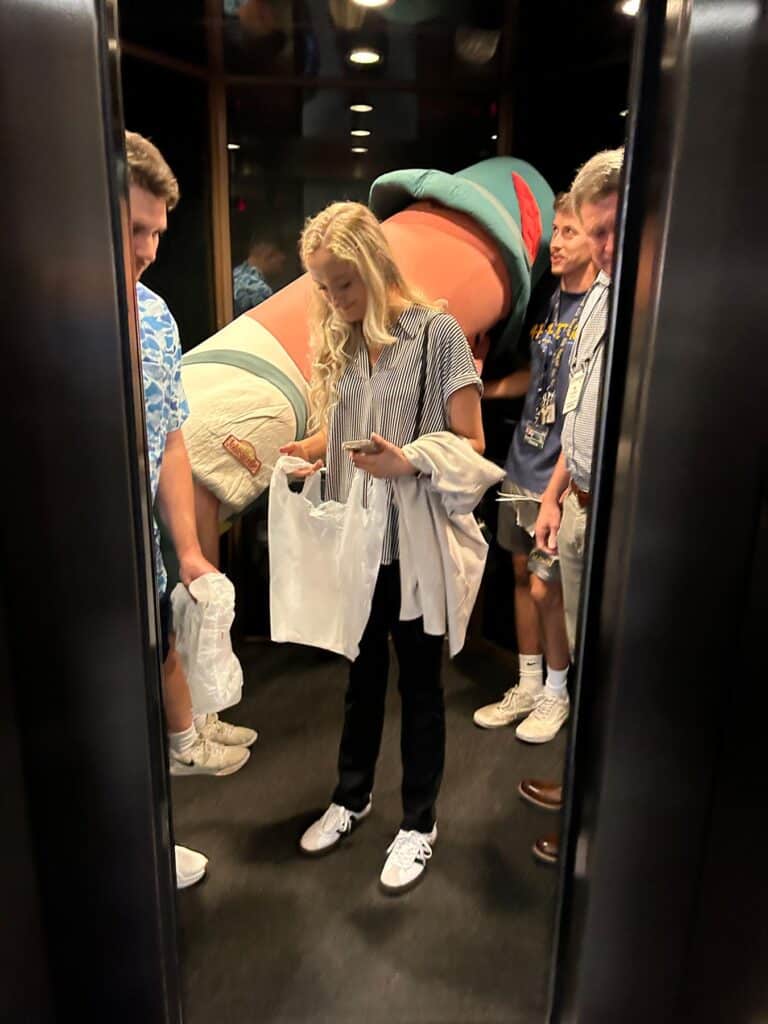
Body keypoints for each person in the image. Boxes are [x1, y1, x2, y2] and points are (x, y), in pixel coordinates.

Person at [281, 201, 485, 893]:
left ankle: (419, 822)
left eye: (344, 283)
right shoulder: (343, 341)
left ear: (374, 265)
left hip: (415, 541)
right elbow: (344, 429)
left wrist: (410, 459)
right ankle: (352, 794)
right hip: (358, 545)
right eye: (323, 286)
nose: (335, 299)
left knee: (421, 685)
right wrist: (309, 450)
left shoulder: (436, 333)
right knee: (359, 676)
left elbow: (472, 443)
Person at [126, 132, 257, 886]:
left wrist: (189, 552)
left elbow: (170, 439)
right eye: (133, 230)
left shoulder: (155, 317)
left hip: (137, 554)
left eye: (156, 233)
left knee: (149, 678)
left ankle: (143, 839)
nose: (148, 250)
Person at [520, 147, 624, 865]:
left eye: (611, 228)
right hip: (579, 503)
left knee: (612, 671)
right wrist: (556, 496)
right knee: (589, 662)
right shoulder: (597, 303)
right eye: (595, 231)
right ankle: (585, 788)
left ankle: (598, 827)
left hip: (618, 517)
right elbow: (578, 417)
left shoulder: (650, 303)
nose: (602, 244)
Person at [474, 193, 596, 743]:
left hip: (561, 473)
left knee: (550, 588)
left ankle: (556, 691)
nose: (557, 242)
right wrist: (486, 389)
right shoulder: (548, 300)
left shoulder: (599, 309)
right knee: (521, 575)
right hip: (522, 457)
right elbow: (537, 375)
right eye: (556, 231)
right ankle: (527, 684)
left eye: (570, 232)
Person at [232, 234, 286, 316]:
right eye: (279, 251)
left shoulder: (232, 276)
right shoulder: (260, 291)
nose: (283, 257)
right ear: (268, 253)